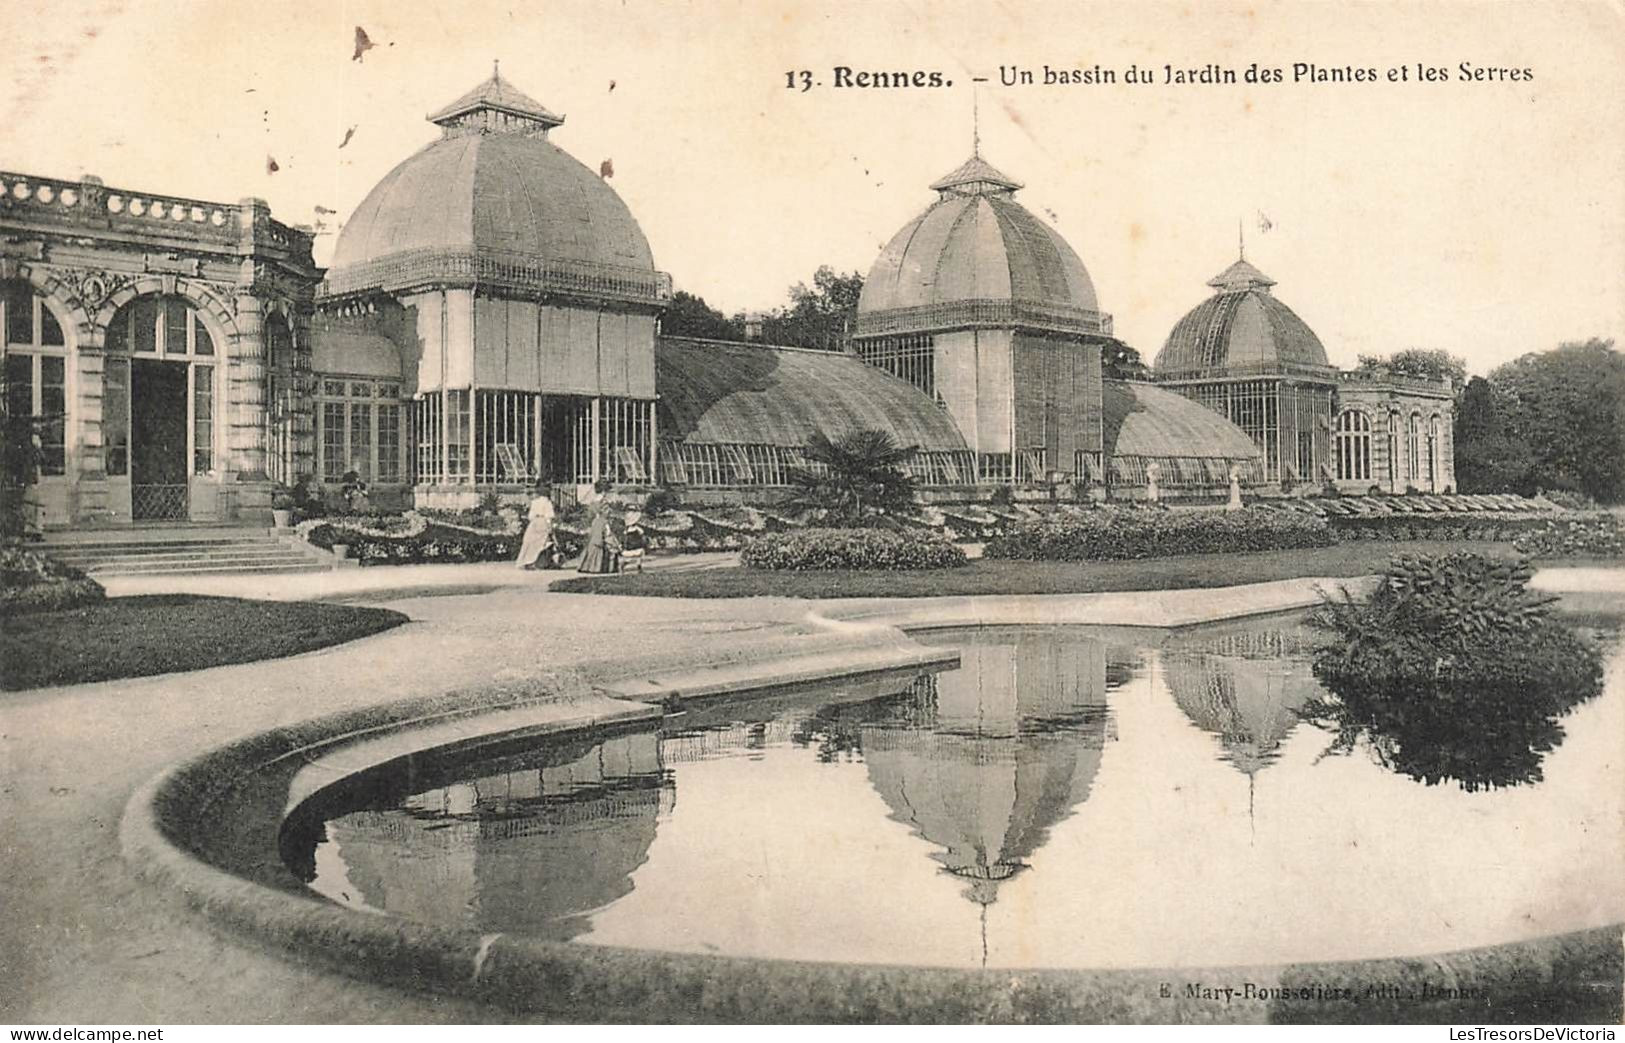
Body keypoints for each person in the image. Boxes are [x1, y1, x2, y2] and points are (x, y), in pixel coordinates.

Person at [576, 478, 622, 574]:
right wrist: (608, 523)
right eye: (606, 491)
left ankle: (588, 566)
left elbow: (589, 515)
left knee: (594, 543)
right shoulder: (603, 501)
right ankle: (604, 567)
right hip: (602, 522)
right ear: (604, 491)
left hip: (595, 523)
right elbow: (607, 514)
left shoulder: (593, 502)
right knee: (607, 542)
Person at [515, 482, 559, 570]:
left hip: (535, 523)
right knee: (543, 543)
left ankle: (528, 561)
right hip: (543, 522)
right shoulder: (547, 502)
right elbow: (549, 516)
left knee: (530, 542)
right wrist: (550, 526)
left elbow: (530, 516)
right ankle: (541, 562)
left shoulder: (534, 502)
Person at [620, 508, 646, 572]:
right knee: (640, 554)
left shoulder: (626, 530)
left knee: (630, 557)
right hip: (637, 546)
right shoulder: (637, 528)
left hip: (629, 547)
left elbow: (624, 537)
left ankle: (624, 564)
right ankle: (639, 566)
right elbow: (642, 533)